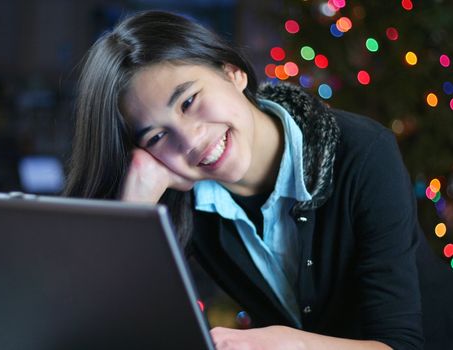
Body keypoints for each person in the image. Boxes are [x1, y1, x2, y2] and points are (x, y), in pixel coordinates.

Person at [64, 10, 452, 350]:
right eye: (157, 136)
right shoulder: (182, 199)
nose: (192, 140)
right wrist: (136, 201)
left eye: (188, 101)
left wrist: (286, 342)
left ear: (232, 72)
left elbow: (399, 344)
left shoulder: (365, 152)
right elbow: (99, 324)